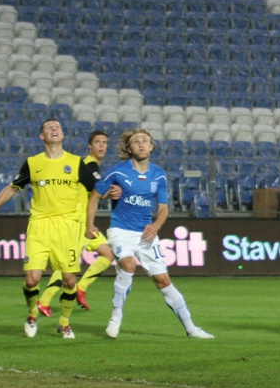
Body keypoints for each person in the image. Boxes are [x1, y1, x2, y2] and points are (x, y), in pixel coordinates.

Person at [0, 119, 113, 339]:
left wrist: (110, 192)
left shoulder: (76, 163)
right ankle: (32, 314)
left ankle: (64, 323)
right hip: (39, 225)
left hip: (67, 227)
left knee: (69, 280)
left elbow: (96, 190)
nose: (54, 129)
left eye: (58, 126)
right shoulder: (33, 163)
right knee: (31, 279)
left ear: (63, 134)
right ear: (42, 136)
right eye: (49, 127)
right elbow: (12, 188)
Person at [86, 128, 213, 340]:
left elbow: (163, 208)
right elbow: (94, 196)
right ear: (129, 148)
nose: (141, 144)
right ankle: (116, 317)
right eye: (136, 142)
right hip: (121, 230)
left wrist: (156, 226)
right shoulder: (117, 172)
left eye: (145, 141)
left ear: (152, 147)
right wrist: (89, 225)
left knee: (163, 280)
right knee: (128, 264)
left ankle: (191, 329)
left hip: (145, 234)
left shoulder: (159, 175)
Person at [38, 130, 118, 314]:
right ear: (90, 147)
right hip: (78, 223)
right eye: (97, 142)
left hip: (85, 222)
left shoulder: (92, 166)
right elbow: (97, 192)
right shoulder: (88, 165)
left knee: (108, 254)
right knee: (68, 266)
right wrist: (112, 192)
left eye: (105, 142)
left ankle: (81, 288)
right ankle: (44, 300)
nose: (101, 145)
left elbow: (95, 193)